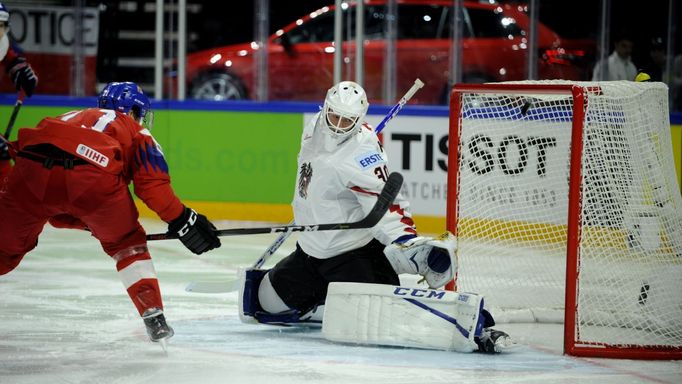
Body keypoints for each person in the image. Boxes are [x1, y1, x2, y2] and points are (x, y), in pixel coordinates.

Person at [238, 81, 511, 353]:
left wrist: (405, 240)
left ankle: (478, 326)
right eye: (333, 115)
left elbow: (387, 203)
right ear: (325, 108)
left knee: (394, 316)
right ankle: (324, 302)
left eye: (347, 122)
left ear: (359, 120)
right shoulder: (313, 128)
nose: (336, 125)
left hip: (352, 256)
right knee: (265, 304)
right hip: (310, 253)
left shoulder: (363, 154)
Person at [0, 82, 221, 344]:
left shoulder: (69, 116)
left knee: (3, 252)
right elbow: (152, 187)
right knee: (127, 243)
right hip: (93, 175)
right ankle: (153, 315)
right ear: (133, 111)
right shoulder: (136, 130)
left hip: (30, 170)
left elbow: (54, 205)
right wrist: (183, 219)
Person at [0, 2, 38, 186]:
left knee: (2, 161)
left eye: (0, 25)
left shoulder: (2, 43)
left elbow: (10, 57)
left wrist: (19, 69)